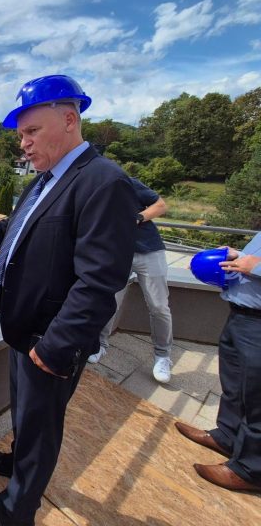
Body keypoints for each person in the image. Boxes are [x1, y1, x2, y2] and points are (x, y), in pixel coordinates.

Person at [0, 75, 137, 525]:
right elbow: (12, 229)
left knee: (42, 426)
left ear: (69, 120)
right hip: (24, 325)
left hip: (50, 338)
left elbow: (100, 281)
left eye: (31, 131)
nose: (23, 144)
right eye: (21, 135)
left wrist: (54, 348)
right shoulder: (45, 180)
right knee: (28, 416)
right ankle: (16, 462)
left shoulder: (105, 183)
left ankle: (17, 509)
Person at [175, 234, 261, 492]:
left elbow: (254, 264)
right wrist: (236, 255)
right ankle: (227, 436)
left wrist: (255, 266)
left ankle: (250, 470)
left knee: (257, 397)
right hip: (242, 316)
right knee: (235, 385)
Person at [87, 178, 174, 383]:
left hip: (149, 250)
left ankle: (163, 356)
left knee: (158, 305)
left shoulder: (122, 182)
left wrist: (137, 217)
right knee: (109, 302)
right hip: (116, 254)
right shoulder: (87, 186)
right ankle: (100, 345)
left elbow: (161, 205)